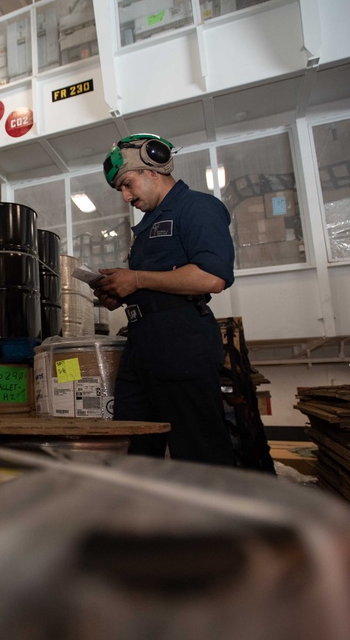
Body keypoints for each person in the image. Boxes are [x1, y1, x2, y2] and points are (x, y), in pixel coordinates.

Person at [94, 133, 236, 466]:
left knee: (197, 449)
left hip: (181, 339)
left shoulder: (198, 207)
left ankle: (212, 517)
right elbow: (153, 283)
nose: (126, 196)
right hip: (142, 342)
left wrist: (137, 279)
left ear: (153, 170)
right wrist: (121, 291)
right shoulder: (146, 226)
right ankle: (140, 517)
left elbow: (211, 277)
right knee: (132, 444)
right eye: (120, 190)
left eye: (128, 184)